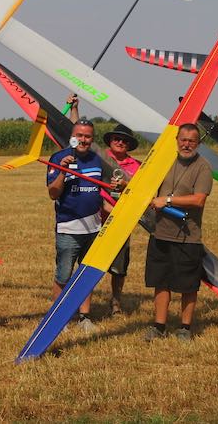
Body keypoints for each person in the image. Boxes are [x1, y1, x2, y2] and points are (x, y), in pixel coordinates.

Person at [143, 123, 212, 342]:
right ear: (176, 140)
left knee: (188, 285)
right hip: (160, 233)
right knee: (161, 282)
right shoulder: (165, 163)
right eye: (183, 139)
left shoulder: (203, 167)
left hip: (187, 236)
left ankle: (185, 328)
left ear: (198, 143)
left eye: (192, 141)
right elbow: (147, 186)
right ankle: (159, 326)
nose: (187, 144)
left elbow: (199, 200)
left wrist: (168, 200)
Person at [47, 117, 103, 333]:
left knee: (85, 274)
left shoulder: (97, 160)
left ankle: (84, 317)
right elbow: (53, 193)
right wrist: (63, 171)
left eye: (87, 136)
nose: (83, 139)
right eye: (79, 135)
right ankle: (57, 318)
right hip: (69, 227)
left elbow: (102, 191)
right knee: (63, 274)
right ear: (72, 137)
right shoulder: (59, 158)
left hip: (93, 227)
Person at [101, 124, 140, 316]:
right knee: (88, 263)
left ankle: (116, 302)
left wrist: (126, 184)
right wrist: (74, 109)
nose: (120, 142)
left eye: (125, 140)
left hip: (122, 222)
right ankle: (82, 304)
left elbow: (142, 190)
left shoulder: (136, 166)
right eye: (116, 138)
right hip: (97, 218)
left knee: (119, 266)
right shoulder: (100, 158)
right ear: (110, 140)